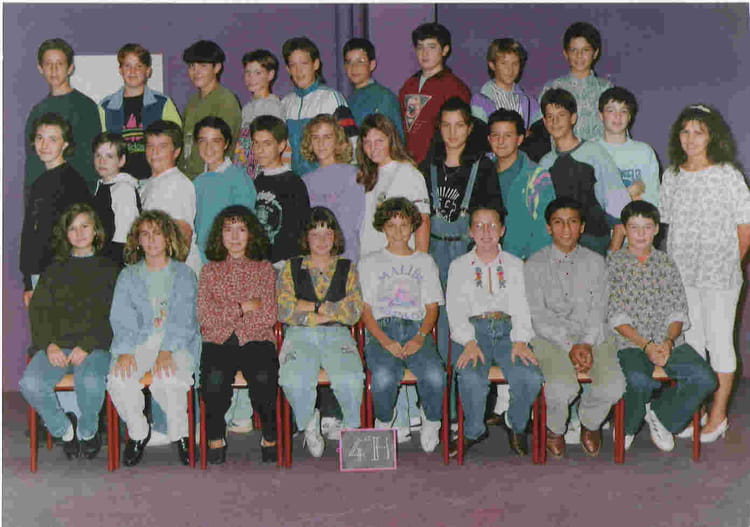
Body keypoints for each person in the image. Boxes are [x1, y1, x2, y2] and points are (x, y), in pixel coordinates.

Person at [660, 104, 750, 442]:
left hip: (720, 277)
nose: (691, 139)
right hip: (683, 276)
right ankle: (691, 411)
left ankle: (718, 416)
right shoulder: (672, 176)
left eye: (699, 132)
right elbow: (667, 226)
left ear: (712, 136)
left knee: (719, 343)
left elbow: (745, 229)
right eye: (685, 131)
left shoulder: (728, 175)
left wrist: (727, 265)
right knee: (690, 343)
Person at [608, 200, 717, 451]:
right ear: (624, 229)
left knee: (704, 378)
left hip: (667, 341)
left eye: (647, 227)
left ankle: (662, 416)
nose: (641, 234)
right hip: (630, 342)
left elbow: (677, 310)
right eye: (634, 227)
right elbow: (615, 315)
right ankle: (627, 426)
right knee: (639, 380)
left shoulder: (666, 263)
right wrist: (646, 345)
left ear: (657, 229)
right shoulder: (614, 263)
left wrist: (668, 341)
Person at [524, 197, 625, 458]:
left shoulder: (597, 262)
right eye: (558, 223)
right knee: (562, 388)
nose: (566, 229)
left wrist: (586, 343)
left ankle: (590, 422)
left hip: (593, 336)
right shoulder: (534, 264)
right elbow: (538, 316)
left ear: (582, 227)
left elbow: (599, 309)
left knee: (614, 386)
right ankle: (555, 428)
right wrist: (570, 346)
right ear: (548, 228)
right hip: (551, 338)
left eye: (572, 222)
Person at [20, 203, 119, 460]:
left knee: (90, 382)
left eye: (85, 226)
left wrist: (87, 345)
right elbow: (39, 312)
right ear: (65, 234)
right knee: (30, 383)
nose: (79, 233)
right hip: (58, 346)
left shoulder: (110, 270)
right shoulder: (54, 270)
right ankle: (64, 430)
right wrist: (48, 345)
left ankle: (87, 431)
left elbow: (114, 317)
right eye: (72, 228)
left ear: (96, 231)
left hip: (95, 346)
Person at [446, 206, 543, 458]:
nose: (486, 232)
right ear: (470, 231)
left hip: (508, 331)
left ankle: (515, 423)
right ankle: (473, 430)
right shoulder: (458, 266)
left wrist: (520, 339)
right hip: (474, 331)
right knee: (470, 377)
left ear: (502, 230)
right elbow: (454, 308)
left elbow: (523, 305)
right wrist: (467, 341)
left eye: (492, 226)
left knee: (529, 376)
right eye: (479, 226)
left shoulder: (515, 265)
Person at [107, 210, 201, 467]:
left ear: (168, 237)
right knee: (118, 378)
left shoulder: (184, 274)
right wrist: (125, 350)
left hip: (176, 341)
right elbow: (121, 317)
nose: (151, 239)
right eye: (145, 234)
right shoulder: (128, 276)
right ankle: (138, 432)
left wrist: (166, 350)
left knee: (168, 378)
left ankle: (181, 434)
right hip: (138, 342)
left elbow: (185, 318)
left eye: (157, 233)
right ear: (137, 240)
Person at [419, 97, 503, 362]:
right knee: (436, 321)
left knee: (466, 321)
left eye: (459, 125)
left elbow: (494, 216)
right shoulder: (427, 166)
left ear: (469, 128)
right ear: (439, 128)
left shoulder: (483, 167)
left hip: (468, 253)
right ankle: (440, 384)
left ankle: (466, 381)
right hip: (433, 251)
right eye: (446, 125)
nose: (452, 132)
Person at [359, 197, 445, 453]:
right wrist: (384, 341)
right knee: (384, 377)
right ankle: (384, 421)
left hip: (416, 328)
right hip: (381, 330)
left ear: (413, 227)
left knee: (435, 375)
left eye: (404, 225)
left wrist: (420, 336)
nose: (398, 232)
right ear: (382, 228)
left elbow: (432, 308)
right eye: (391, 225)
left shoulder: (424, 262)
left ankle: (432, 420)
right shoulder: (369, 262)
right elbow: (365, 310)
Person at [277, 207, 364, 457]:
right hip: (299, 334)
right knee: (293, 378)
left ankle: (350, 428)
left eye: (327, 233)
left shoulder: (348, 268)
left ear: (335, 237)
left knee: (351, 377)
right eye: (315, 234)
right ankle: (309, 423)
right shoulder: (291, 267)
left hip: (337, 334)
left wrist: (312, 308)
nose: (322, 240)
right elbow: (284, 309)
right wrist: (325, 309)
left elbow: (353, 311)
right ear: (306, 237)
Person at [197, 205, 278, 464]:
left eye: (241, 229)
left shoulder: (264, 269)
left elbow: (268, 315)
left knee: (264, 376)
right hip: (218, 339)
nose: (234, 236)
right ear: (219, 235)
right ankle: (215, 436)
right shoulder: (209, 271)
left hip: (257, 338)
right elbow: (204, 316)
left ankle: (269, 434)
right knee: (214, 378)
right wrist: (243, 307)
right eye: (228, 230)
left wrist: (229, 316)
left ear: (251, 234)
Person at [538, 88, 629, 256]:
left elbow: (619, 209)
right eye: (550, 116)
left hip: (594, 245)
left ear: (573, 118)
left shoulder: (594, 154)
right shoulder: (544, 164)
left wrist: (612, 254)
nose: (555, 121)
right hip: (559, 250)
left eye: (561, 115)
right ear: (544, 121)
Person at [21, 112, 91, 307]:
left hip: (64, 276)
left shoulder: (74, 183)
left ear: (65, 144)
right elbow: (30, 234)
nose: (44, 145)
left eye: (53, 139)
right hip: (39, 275)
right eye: (40, 138)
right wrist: (28, 281)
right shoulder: (38, 184)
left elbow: (80, 237)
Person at [25, 38, 101, 192]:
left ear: (70, 68)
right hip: (43, 194)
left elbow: (90, 158)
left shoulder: (85, 107)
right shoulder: (37, 111)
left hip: (74, 193)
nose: (54, 70)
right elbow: (32, 163)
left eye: (59, 64)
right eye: (48, 64)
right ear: (40, 68)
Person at [99, 43, 182, 181]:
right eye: (127, 66)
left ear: (148, 71)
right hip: (120, 181)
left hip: (157, 180)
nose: (132, 71)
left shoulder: (163, 103)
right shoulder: (106, 106)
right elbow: (102, 148)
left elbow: (176, 142)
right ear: (120, 70)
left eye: (138, 66)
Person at [356, 113, 430, 260]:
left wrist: (421, 264)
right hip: (368, 259)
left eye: (379, 141)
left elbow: (423, 221)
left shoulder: (408, 173)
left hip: (398, 261)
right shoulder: (365, 176)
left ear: (391, 140)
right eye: (367, 143)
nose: (373, 148)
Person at [280, 36, 357, 176]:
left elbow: (352, 143)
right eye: (293, 65)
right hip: (297, 183)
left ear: (315, 64)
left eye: (304, 64)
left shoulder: (331, 98)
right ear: (288, 69)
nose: (299, 71)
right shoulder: (285, 103)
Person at [399, 22, 471, 164]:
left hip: (439, 165)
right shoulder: (408, 86)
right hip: (409, 164)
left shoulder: (455, 88)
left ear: (444, 50)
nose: (424, 53)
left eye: (431, 47)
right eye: (420, 47)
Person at [489, 109, 554, 261]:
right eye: (495, 135)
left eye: (508, 135)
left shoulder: (537, 178)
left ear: (519, 139)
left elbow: (545, 230)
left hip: (524, 263)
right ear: (488, 139)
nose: (500, 141)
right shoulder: (481, 174)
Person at [140, 120, 201, 275]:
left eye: (162, 147)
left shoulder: (177, 184)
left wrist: (167, 280)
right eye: (150, 146)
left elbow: (183, 236)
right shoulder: (147, 185)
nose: (154, 152)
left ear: (176, 152)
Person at [300, 114, 364, 262]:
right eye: (315, 138)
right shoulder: (304, 181)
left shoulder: (353, 176)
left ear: (338, 141)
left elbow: (354, 225)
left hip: (346, 258)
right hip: (315, 261)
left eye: (327, 137)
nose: (321, 143)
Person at [192, 116, 256, 263]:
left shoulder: (239, 179)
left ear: (226, 144)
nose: (208, 148)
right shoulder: (197, 182)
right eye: (203, 141)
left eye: (215, 141)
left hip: (228, 260)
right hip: (200, 259)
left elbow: (245, 227)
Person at [250, 115, 310, 264]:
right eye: (256, 143)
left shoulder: (294, 184)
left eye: (267, 143)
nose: (260, 150)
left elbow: (298, 233)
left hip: (283, 266)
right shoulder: (255, 182)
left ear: (281, 145)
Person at [539, 22, 613, 141]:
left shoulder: (605, 88)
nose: (579, 55)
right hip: (562, 152)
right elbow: (540, 128)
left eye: (585, 50)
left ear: (595, 53)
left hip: (598, 151)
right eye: (574, 50)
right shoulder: (553, 87)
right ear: (565, 53)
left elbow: (618, 129)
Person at [179, 40, 242, 180]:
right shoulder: (192, 101)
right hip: (187, 178)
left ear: (217, 67)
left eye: (203, 66)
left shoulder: (225, 100)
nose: (196, 72)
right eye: (192, 66)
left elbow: (222, 149)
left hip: (212, 178)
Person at [470, 38, 542, 131]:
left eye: (515, 64)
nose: (510, 70)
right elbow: (479, 134)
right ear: (492, 65)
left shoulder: (530, 102)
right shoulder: (480, 101)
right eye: (504, 64)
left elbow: (538, 133)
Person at [91, 132, 141, 265]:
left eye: (109, 156)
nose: (102, 161)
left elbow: (124, 239)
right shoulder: (102, 186)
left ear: (121, 160)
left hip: (115, 263)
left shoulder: (123, 189)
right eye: (98, 155)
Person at [233, 49, 284, 180]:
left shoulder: (273, 107)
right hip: (245, 172)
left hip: (262, 173)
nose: (251, 78)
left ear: (270, 75)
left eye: (258, 73)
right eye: (248, 73)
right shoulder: (246, 108)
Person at [342, 38, 403, 140]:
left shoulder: (383, 97)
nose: (354, 67)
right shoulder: (347, 101)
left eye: (360, 62)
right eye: (349, 62)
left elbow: (395, 140)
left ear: (372, 64)